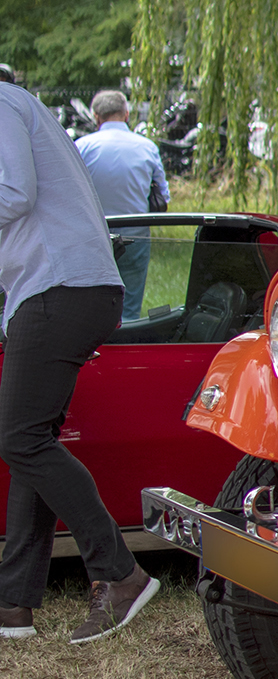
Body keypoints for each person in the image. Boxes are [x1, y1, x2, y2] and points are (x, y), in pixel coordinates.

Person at [0, 81, 157, 643]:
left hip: (59, 287)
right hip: (59, 286)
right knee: (31, 442)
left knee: (20, 439)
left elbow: (12, 193)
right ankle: (12, 606)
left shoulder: (0, 103)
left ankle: (119, 574)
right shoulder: (18, 105)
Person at [75, 89, 169, 322]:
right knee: (130, 302)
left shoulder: (81, 147)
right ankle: (125, 339)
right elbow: (162, 197)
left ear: (96, 116)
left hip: (93, 235)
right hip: (136, 235)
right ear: (126, 114)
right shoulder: (147, 147)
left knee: (91, 298)